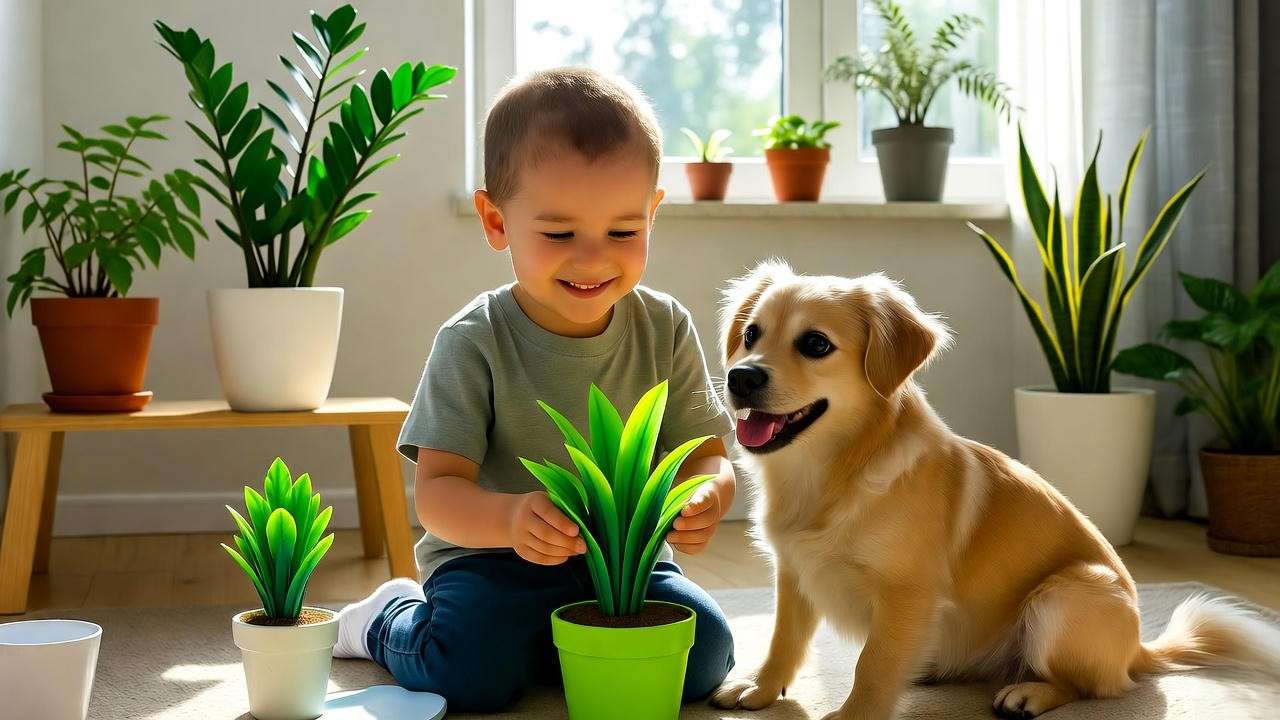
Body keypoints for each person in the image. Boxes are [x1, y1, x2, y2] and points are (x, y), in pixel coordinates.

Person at [332, 66, 738, 713]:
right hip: (491, 561)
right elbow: (436, 494)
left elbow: (705, 456)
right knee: (465, 671)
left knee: (708, 651)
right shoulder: (474, 340)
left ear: (653, 213)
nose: (593, 258)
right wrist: (509, 518)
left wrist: (708, 494)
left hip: (627, 566)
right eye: (558, 234)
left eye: (623, 231)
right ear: (496, 221)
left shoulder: (665, 327)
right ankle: (388, 619)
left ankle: (554, 648)